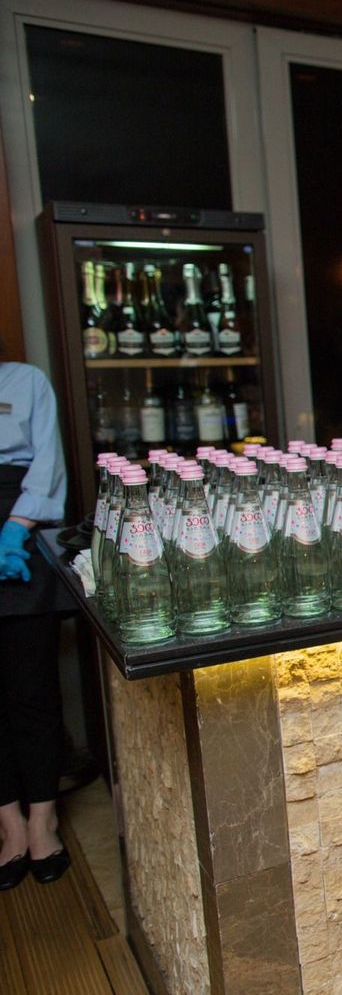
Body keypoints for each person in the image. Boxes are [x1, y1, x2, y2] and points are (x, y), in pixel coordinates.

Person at [0, 358, 69, 890]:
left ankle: (44, 818)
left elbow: (47, 461)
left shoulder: (26, 381)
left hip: (19, 531)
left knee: (32, 688)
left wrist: (14, 528)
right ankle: (10, 826)